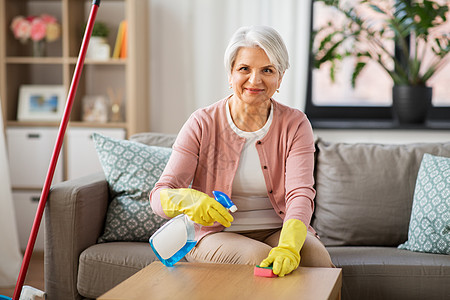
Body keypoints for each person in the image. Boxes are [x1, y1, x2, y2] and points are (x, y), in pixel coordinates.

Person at [149, 25, 333, 277]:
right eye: (244, 69)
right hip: (214, 234)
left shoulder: (295, 124)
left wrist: (289, 247)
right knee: (257, 258)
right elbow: (159, 195)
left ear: (279, 78)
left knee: (316, 258)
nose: (255, 80)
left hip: (276, 230)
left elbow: (300, 194)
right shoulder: (202, 122)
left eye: (267, 70)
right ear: (230, 74)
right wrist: (188, 200)